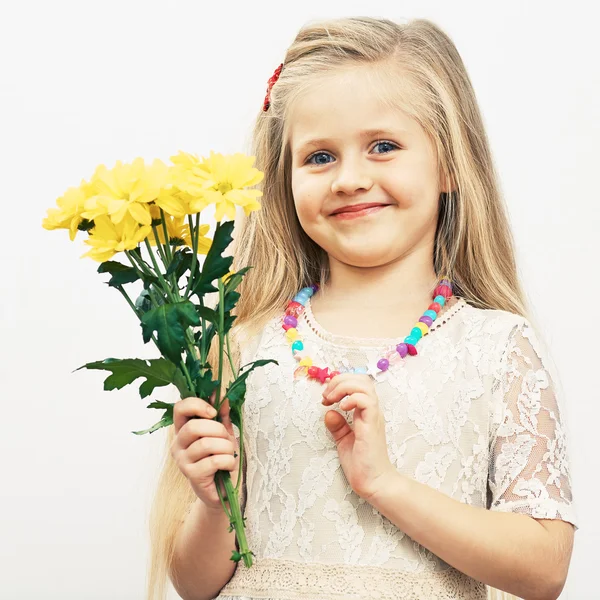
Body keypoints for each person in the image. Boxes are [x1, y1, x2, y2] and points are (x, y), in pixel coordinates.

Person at [147, 16, 578, 600]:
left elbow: (544, 568)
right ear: (284, 179)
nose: (350, 179)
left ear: (450, 163)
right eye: (319, 157)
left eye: (383, 147)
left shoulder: (498, 348)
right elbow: (196, 585)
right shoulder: (244, 343)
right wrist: (213, 500)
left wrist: (383, 483)